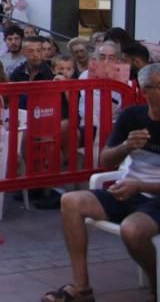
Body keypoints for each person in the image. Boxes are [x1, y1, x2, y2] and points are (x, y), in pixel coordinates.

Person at [44, 63, 160, 302]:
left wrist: (140, 186)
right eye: (158, 86)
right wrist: (127, 146)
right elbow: (105, 159)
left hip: (154, 197)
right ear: (145, 90)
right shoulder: (132, 116)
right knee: (71, 201)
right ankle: (82, 288)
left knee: (132, 230)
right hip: (128, 190)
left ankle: (156, 284)